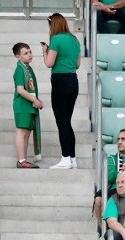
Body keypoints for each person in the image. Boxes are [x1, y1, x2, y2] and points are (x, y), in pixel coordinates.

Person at [42, 13, 80, 170]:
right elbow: (77, 64)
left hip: (60, 81)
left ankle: (65, 158)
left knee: (62, 122)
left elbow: (49, 63)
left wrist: (45, 50)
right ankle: (72, 158)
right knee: (67, 122)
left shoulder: (56, 39)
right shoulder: (74, 39)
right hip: (73, 80)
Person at [12, 42, 43, 169]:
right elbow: (20, 89)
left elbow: (30, 88)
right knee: (22, 132)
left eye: (30, 52)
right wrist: (34, 100)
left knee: (27, 133)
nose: (29, 55)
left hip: (29, 105)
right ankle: (21, 160)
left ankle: (23, 159)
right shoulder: (20, 69)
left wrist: (37, 99)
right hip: (22, 106)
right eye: (25, 53)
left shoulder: (28, 68)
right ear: (18, 56)